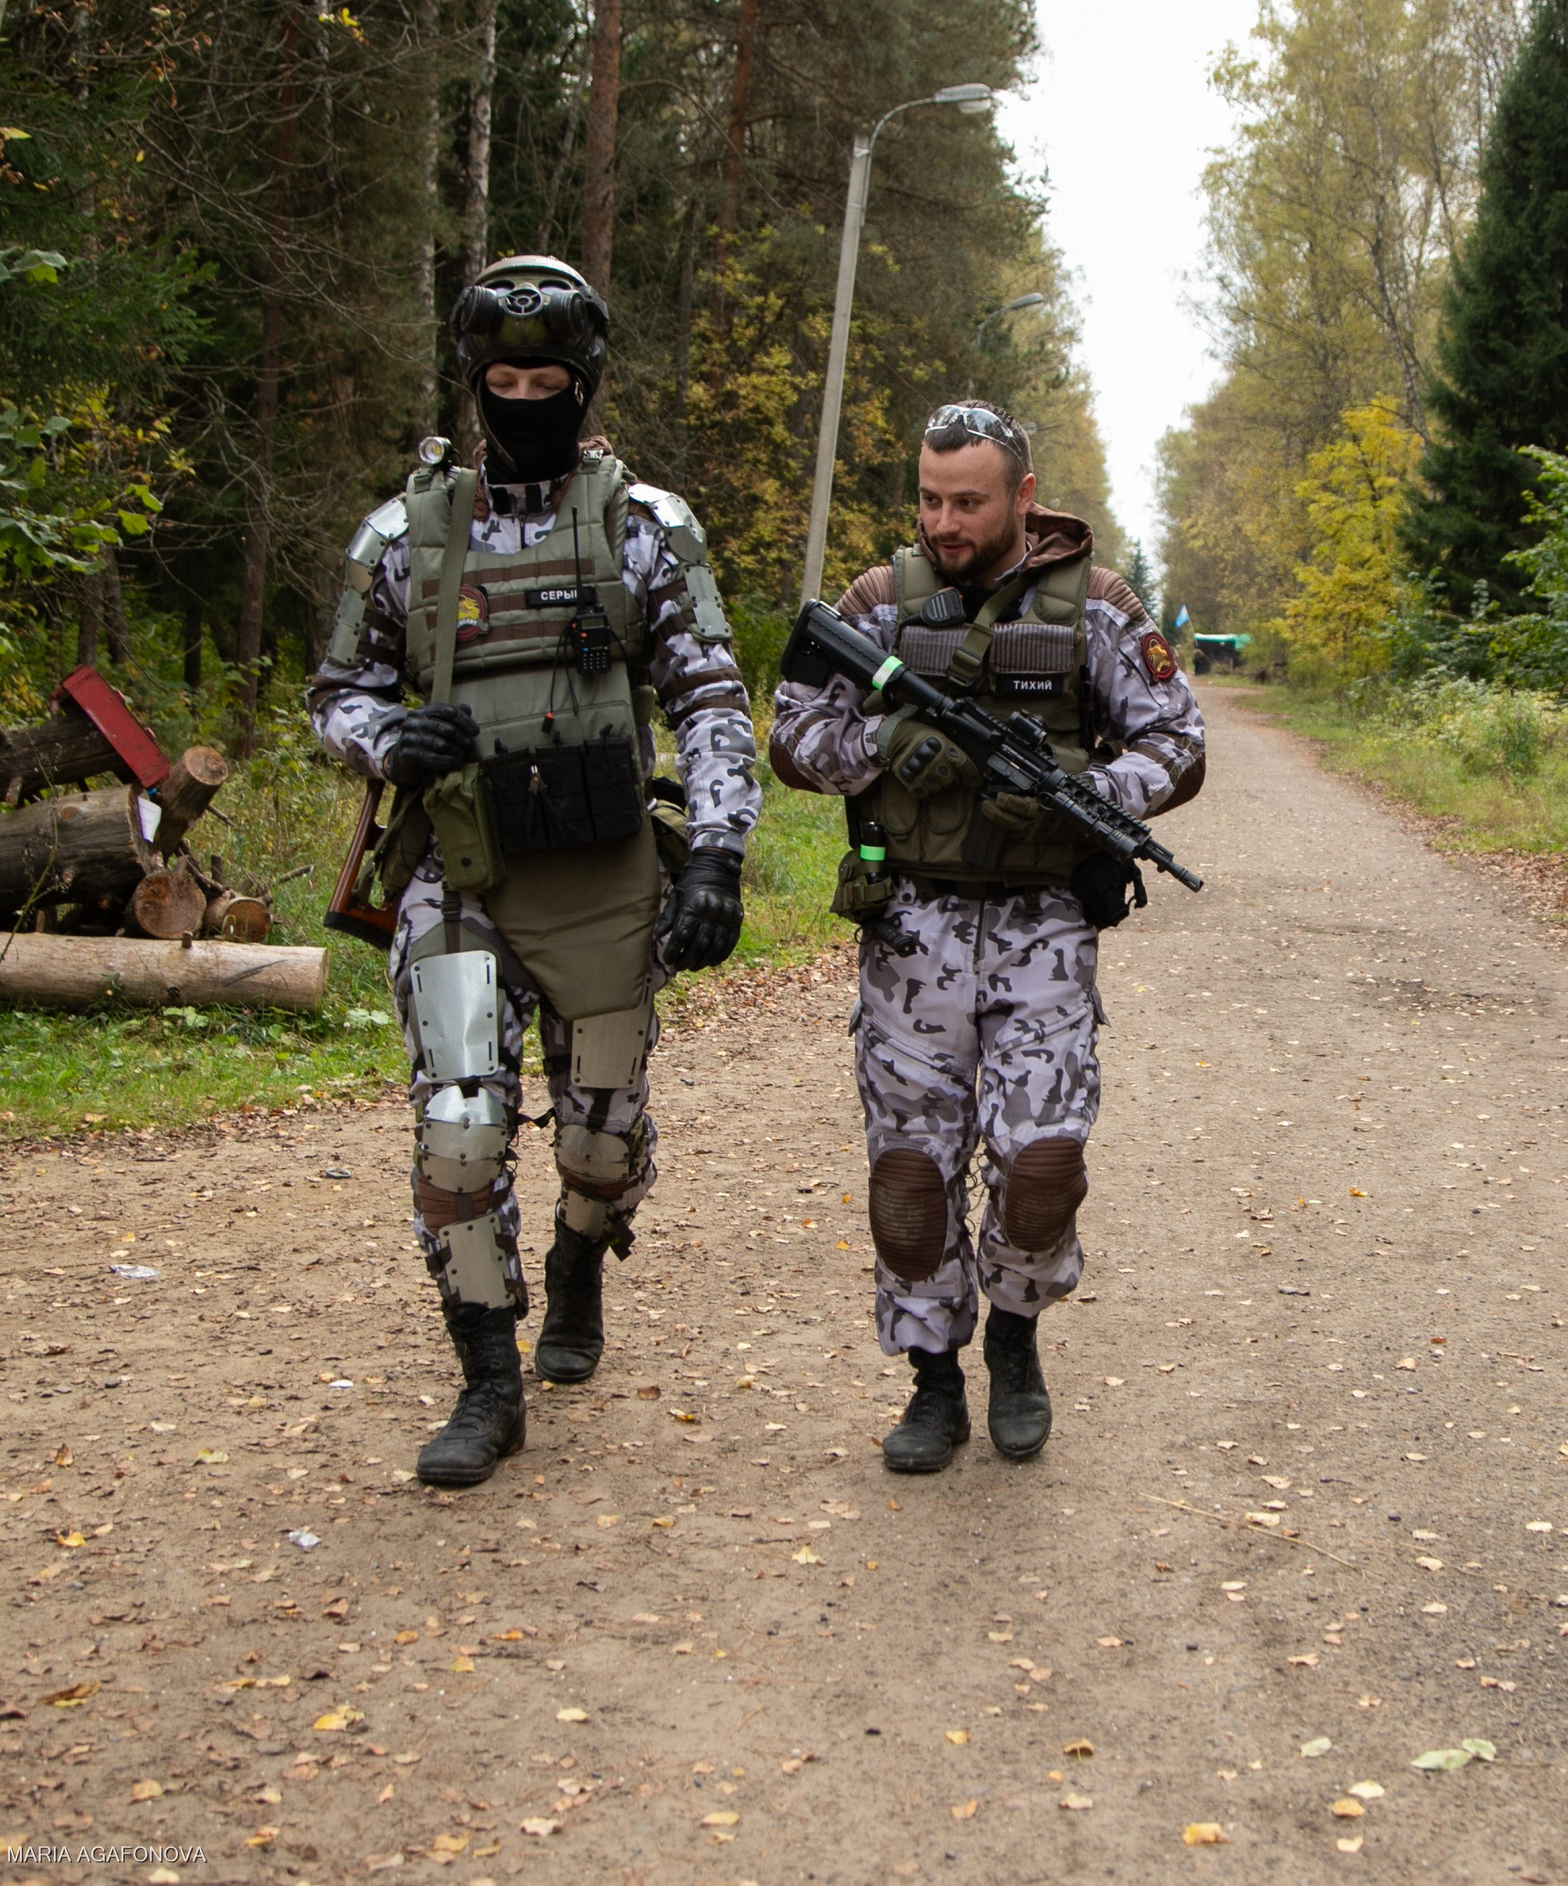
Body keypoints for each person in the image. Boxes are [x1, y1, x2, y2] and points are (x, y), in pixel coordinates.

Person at [309, 255, 761, 1488]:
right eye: (500, 379)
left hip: (608, 876)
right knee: (459, 1127)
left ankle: (575, 1256)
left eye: (545, 378)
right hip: (461, 872)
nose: (522, 398)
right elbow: (337, 695)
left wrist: (718, 851)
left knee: (603, 1143)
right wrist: (385, 734)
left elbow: (711, 693)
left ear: (584, 380)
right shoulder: (405, 533)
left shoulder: (644, 526)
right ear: (472, 384)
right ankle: (486, 1381)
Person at [769, 400, 1204, 1473]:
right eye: (929, 498)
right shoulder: (878, 603)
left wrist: (1081, 793)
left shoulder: (1094, 606)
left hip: (1042, 926)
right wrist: (886, 745)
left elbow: (1178, 741)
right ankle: (932, 1381)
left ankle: (1014, 1333)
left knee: (1040, 1163)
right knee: (911, 1180)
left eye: (968, 500)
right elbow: (790, 730)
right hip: (909, 926)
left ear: (1022, 494)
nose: (945, 521)